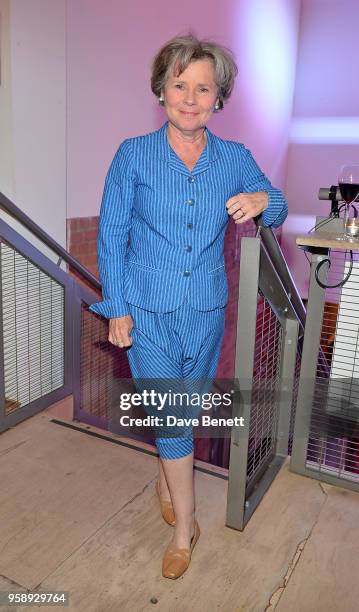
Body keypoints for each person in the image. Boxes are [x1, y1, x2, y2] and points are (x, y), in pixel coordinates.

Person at [89, 34, 288, 579]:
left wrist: (262, 201)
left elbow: (280, 205)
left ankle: (165, 473)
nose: (191, 97)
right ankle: (186, 529)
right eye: (180, 84)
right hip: (147, 313)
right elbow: (112, 237)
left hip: (205, 313)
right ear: (161, 90)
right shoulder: (133, 155)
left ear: (219, 98)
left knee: (183, 414)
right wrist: (118, 309)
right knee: (172, 416)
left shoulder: (234, 159)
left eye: (204, 87)